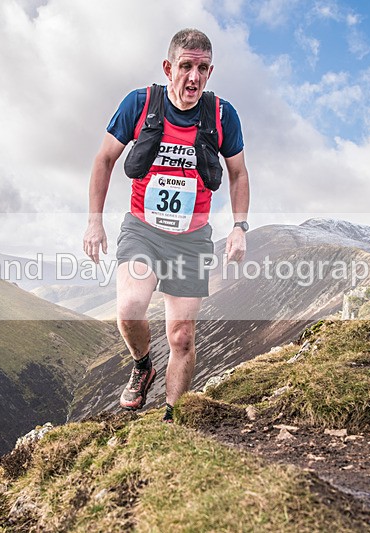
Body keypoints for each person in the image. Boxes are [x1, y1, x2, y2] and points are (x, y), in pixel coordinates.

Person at [83, 28, 250, 422]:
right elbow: (104, 160)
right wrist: (95, 222)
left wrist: (240, 226)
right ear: (168, 67)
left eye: (203, 68)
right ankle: (143, 365)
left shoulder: (223, 115)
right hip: (143, 229)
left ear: (210, 72)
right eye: (186, 66)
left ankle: (171, 419)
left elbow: (238, 173)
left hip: (192, 239)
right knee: (130, 308)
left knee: (182, 335)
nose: (194, 77)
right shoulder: (140, 103)